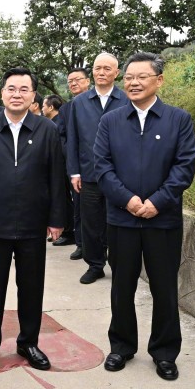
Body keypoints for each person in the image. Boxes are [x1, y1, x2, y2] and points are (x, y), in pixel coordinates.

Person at [93, 52, 195, 382]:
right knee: (121, 286)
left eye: (141, 77)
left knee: (164, 288)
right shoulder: (110, 121)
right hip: (122, 220)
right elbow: (102, 167)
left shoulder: (178, 119)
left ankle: (165, 353)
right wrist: (128, 200)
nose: (134, 83)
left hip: (162, 220)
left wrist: (157, 201)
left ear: (159, 80)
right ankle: (121, 346)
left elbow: (184, 167)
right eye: (129, 78)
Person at [0, 69, 66, 370]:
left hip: (32, 225)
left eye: (24, 89)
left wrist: (57, 218)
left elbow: (56, 177)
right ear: (2, 93)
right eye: (11, 88)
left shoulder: (46, 130)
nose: (17, 94)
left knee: (31, 287)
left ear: (33, 95)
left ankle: (28, 343)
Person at [65, 54, 127, 283]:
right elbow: (73, 139)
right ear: (92, 72)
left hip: (119, 175)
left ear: (116, 73)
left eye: (107, 69)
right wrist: (74, 172)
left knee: (117, 221)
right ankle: (95, 264)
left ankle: (119, 264)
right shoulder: (79, 103)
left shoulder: (126, 99)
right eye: (97, 68)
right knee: (91, 222)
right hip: (88, 174)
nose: (101, 72)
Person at [61, 68, 92, 260]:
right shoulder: (67, 108)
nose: (73, 83)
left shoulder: (103, 103)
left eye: (77, 80)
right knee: (80, 210)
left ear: (88, 81)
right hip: (80, 169)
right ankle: (82, 245)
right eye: (70, 81)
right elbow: (65, 138)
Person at [43, 94, 75, 247]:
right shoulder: (52, 122)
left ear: (50, 107)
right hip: (62, 164)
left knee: (65, 198)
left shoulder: (54, 124)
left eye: (44, 105)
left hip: (64, 164)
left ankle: (69, 231)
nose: (43, 108)